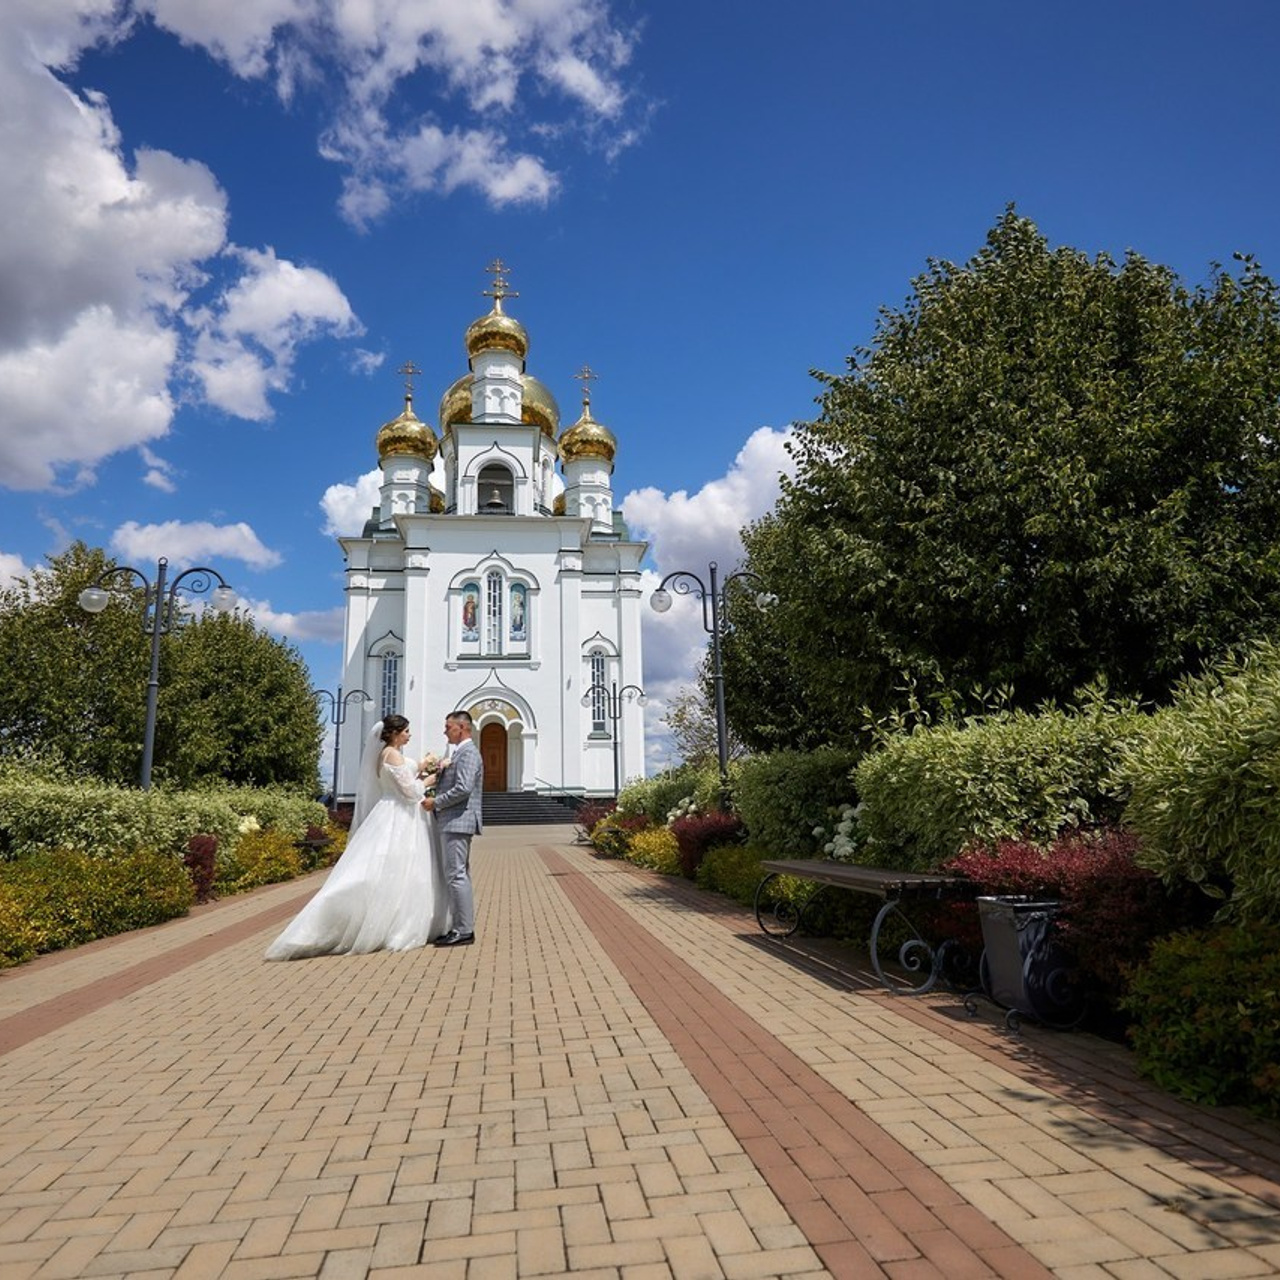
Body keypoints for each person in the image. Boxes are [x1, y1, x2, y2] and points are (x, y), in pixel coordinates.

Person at [265, 715, 449, 959]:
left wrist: (422, 763)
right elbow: (409, 791)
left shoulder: (385, 754)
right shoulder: (392, 754)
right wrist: (430, 780)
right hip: (401, 816)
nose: (409, 735)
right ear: (394, 734)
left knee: (390, 869)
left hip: (391, 811)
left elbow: (404, 772)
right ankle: (397, 925)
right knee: (404, 869)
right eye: (406, 731)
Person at [423, 710, 483, 947]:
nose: (444, 730)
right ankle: (459, 926)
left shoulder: (468, 753)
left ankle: (464, 930)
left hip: (458, 820)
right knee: (457, 874)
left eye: (448, 726)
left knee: (456, 874)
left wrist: (435, 802)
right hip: (454, 819)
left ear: (462, 727)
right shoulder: (460, 753)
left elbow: (464, 788)